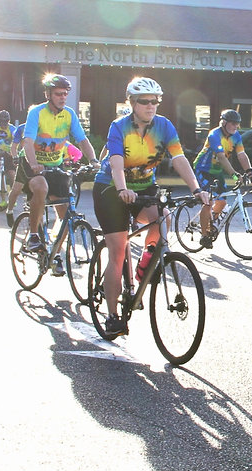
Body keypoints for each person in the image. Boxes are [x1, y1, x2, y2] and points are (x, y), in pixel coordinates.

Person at [92, 77, 209, 336]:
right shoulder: (119, 126)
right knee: (118, 251)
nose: (150, 106)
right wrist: (122, 189)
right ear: (132, 103)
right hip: (111, 188)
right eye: (144, 101)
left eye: (155, 101)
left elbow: (179, 158)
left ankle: (144, 266)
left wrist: (197, 189)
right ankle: (113, 316)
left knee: (163, 218)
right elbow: (116, 162)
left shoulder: (164, 126)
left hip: (144, 186)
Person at [19, 73, 99, 252]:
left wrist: (93, 160)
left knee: (65, 214)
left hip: (55, 165)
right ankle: (33, 236)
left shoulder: (69, 114)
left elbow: (82, 140)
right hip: (33, 163)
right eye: (58, 94)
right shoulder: (37, 112)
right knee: (41, 187)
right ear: (48, 95)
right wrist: (34, 165)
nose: (63, 97)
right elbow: (28, 143)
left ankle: (54, 254)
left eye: (65, 94)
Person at [192, 108, 252, 248]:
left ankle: (210, 222)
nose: (236, 126)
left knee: (222, 201)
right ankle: (204, 235)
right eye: (233, 123)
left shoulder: (236, 136)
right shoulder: (214, 135)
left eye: (237, 124)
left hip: (217, 171)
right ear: (224, 123)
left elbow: (241, 155)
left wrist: (250, 172)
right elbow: (221, 157)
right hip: (203, 169)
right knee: (208, 201)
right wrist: (233, 174)